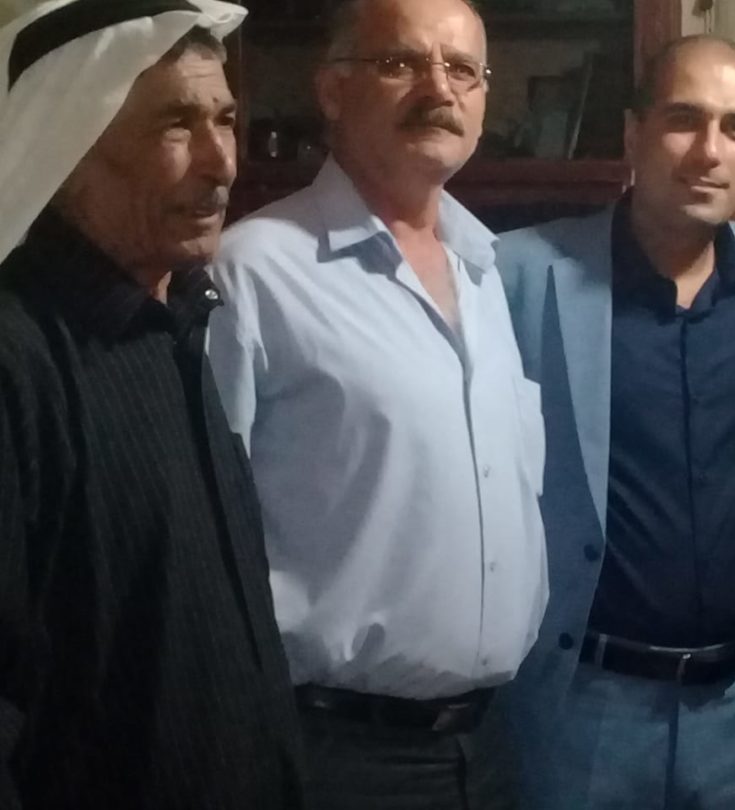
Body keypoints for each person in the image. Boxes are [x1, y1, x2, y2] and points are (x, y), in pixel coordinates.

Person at [205, 0, 547, 807]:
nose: (439, 89)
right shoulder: (251, 273)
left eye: (462, 70)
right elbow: (202, 542)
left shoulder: (485, 268)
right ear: (332, 89)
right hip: (335, 753)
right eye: (401, 63)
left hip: (494, 743)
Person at [0, 2, 305, 808]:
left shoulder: (180, 321)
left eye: (226, 120)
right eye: (176, 123)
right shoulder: (17, 358)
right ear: (68, 143)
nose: (221, 162)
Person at [495, 36, 735, 810]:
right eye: (684, 120)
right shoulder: (519, 275)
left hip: (734, 711)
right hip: (581, 708)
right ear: (633, 134)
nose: (709, 151)